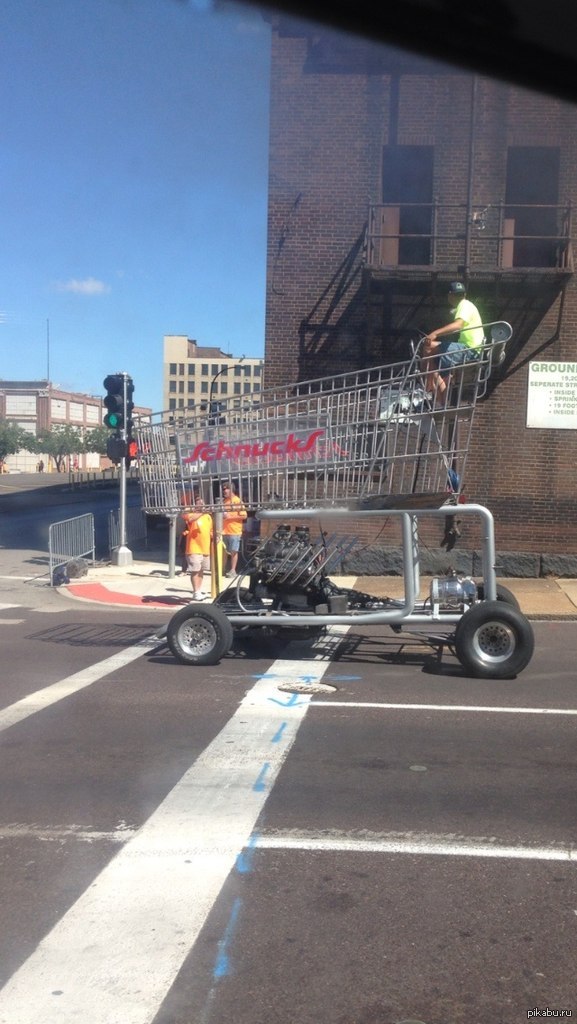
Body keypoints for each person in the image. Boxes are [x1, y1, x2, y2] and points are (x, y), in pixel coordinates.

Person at [421, 281, 485, 402]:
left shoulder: (464, 305)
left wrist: (434, 333)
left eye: (459, 295)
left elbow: (458, 325)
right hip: (469, 349)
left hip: (469, 349)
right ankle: (441, 405)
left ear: (450, 296)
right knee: (440, 372)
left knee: (428, 346)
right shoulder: (465, 305)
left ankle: (428, 386)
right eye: (458, 294)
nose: (459, 297)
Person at [182, 494, 213, 601]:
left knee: (201, 570)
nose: (201, 504)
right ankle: (195, 592)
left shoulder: (208, 516)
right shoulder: (189, 513)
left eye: (202, 502)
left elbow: (211, 530)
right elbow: (190, 519)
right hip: (193, 547)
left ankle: (198, 591)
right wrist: (201, 512)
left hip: (205, 548)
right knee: (195, 570)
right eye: (198, 502)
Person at [221, 481, 247, 577]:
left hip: (234, 531)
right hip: (224, 531)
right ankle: (222, 569)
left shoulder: (237, 501)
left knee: (233, 551)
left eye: (226, 489)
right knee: (224, 551)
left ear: (231, 489)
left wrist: (229, 517)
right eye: (223, 489)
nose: (224, 491)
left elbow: (244, 516)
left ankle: (233, 570)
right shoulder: (224, 501)